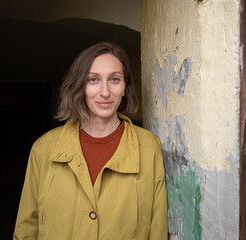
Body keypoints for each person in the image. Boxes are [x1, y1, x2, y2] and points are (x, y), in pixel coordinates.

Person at [13, 42, 167, 240]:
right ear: (80, 86)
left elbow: (157, 231)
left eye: (114, 79)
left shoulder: (149, 148)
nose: (105, 92)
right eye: (93, 80)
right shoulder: (43, 149)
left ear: (124, 87)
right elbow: (26, 228)